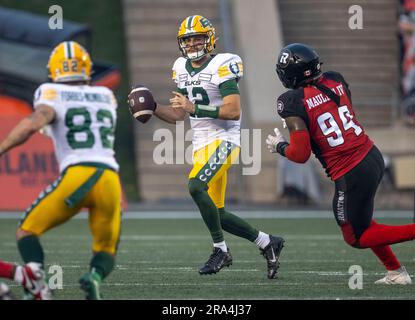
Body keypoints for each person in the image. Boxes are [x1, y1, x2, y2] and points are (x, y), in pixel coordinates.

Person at [141, 15, 285, 278]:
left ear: (210, 39)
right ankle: (267, 242)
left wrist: (194, 107)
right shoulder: (181, 68)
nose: (193, 43)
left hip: (225, 141)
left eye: (197, 37)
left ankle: (220, 250)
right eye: (188, 39)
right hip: (201, 146)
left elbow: (232, 110)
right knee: (217, 213)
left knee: (195, 186)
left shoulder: (222, 65)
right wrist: (152, 108)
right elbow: (178, 116)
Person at [267, 42, 415, 284]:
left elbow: (300, 154)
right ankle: (396, 272)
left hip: (351, 170)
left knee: (355, 236)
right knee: (363, 222)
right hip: (372, 155)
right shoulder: (335, 79)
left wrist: (279, 146)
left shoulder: (292, 101)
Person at [0, 41, 122, 299]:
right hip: (110, 179)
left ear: (54, 69)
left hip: (79, 174)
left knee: (27, 230)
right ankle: (94, 276)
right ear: (86, 68)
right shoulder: (106, 96)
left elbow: (33, 124)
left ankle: (34, 280)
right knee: (106, 249)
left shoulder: (51, 92)